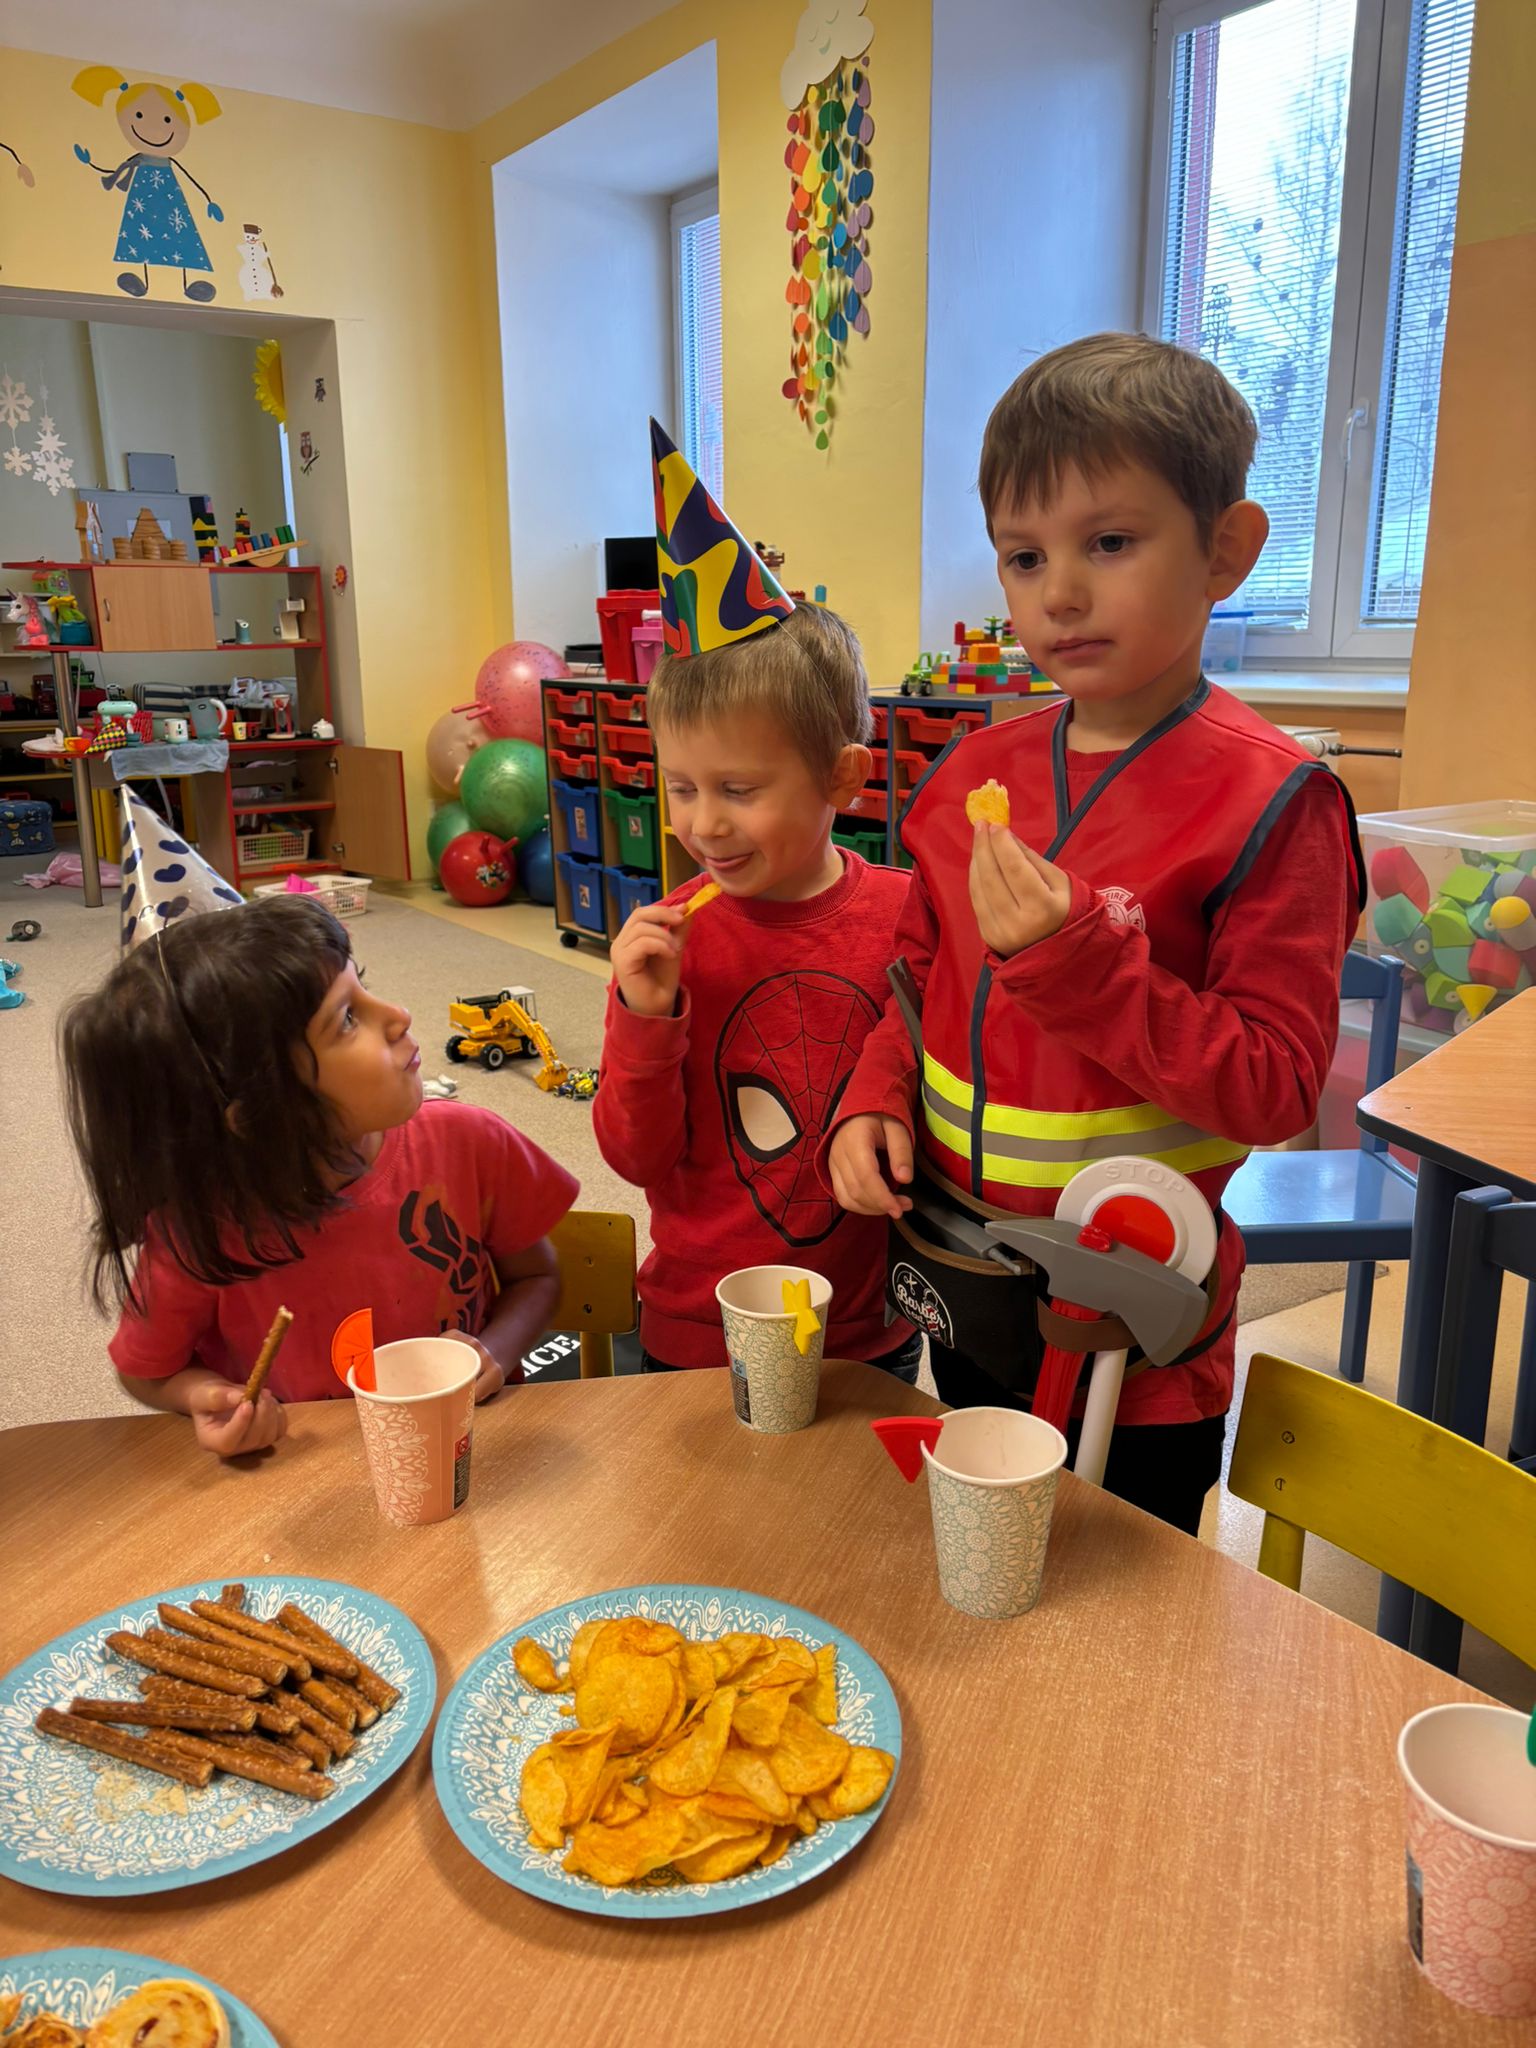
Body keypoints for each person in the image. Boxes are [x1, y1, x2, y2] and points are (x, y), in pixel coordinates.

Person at [827, 332, 1364, 1534]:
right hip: (966, 1279)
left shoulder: (1276, 802)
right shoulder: (971, 774)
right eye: (1025, 556)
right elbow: (915, 981)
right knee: (979, 1547)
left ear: (1225, 549)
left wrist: (1080, 967)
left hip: (1138, 1325)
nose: (1058, 592)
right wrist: (872, 1095)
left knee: (1118, 1593)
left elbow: (1276, 1085)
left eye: (1109, 542)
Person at [594, 420, 918, 1379]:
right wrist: (645, 1017)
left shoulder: (910, 917)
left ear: (844, 777)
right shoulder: (672, 947)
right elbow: (635, 1157)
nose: (704, 823)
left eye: (738, 790)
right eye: (681, 787)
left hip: (869, 1333)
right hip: (699, 1330)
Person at [63, 893, 576, 1459]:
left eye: (363, 985)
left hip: (469, 1453)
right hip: (307, 1476)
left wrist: (495, 1350)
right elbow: (146, 1371)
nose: (399, 1014)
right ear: (261, 1113)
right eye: (347, 1018)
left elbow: (538, 1278)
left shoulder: (469, 1141)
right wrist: (205, 1395)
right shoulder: (199, 1232)